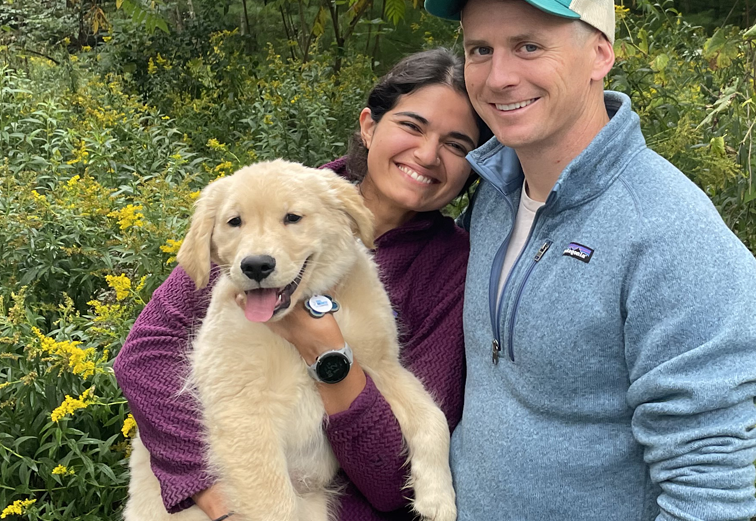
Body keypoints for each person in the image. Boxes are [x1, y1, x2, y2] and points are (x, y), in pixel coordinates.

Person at [423, 0, 756, 521]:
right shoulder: (493, 192)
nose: (498, 76)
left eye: (529, 46)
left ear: (601, 54)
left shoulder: (674, 239)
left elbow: (707, 493)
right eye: (479, 49)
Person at [113, 47, 491, 521]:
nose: (428, 153)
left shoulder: (452, 265)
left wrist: (325, 353)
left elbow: (393, 481)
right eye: (412, 126)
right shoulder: (259, 204)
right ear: (370, 126)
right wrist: (209, 493)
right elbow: (144, 357)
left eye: (456, 144)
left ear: (474, 163)